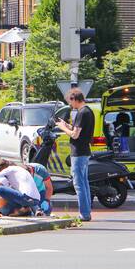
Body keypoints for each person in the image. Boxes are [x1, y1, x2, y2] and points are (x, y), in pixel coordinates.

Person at [55, 88, 94, 222]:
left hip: (78, 152)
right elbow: (78, 130)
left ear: (74, 99)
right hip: (85, 151)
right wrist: (66, 124)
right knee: (84, 183)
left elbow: (75, 135)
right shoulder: (88, 111)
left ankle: (84, 214)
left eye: (70, 102)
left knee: (79, 184)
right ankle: (87, 211)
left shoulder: (82, 113)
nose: (70, 104)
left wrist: (62, 128)